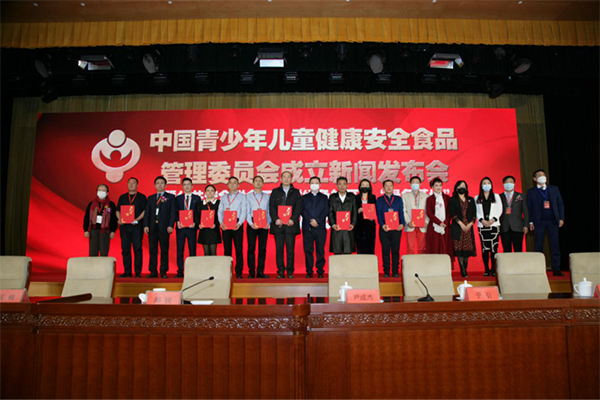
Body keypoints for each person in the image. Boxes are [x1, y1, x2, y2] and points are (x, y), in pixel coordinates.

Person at [526, 169, 565, 276]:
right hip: (539, 222)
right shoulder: (531, 191)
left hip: (553, 221)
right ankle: (539, 269)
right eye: (539, 175)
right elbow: (529, 208)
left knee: (555, 245)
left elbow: (560, 204)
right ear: (534, 179)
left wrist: (561, 218)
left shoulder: (554, 189)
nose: (542, 177)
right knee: (538, 245)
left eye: (543, 175)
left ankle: (556, 268)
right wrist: (530, 222)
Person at [269, 171, 303, 279]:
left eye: (289, 177)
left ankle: (290, 271)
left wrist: (293, 219)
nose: (286, 179)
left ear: (291, 179)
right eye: (284, 177)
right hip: (278, 225)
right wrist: (275, 219)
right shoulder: (275, 191)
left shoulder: (296, 192)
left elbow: (298, 207)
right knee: (279, 250)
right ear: (281, 179)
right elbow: (272, 207)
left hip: (290, 226)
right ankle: (280, 271)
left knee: (290, 250)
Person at [143, 176, 176, 278]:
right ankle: (153, 271)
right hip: (152, 227)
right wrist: (146, 225)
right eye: (158, 183)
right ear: (155, 185)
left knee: (164, 250)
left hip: (164, 227)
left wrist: (171, 225)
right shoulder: (151, 198)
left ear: (165, 185)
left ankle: (163, 271)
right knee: (152, 250)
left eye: (162, 183)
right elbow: (147, 213)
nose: (160, 185)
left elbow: (173, 212)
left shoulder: (170, 197)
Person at [116, 177, 147, 277]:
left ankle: (138, 272)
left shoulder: (142, 197)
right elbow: (118, 210)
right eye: (129, 183)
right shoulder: (122, 197)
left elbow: (145, 211)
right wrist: (120, 219)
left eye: (133, 183)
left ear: (137, 185)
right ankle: (127, 272)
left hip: (136, 227)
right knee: (125, 249)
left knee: (137, 249)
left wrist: (137, 219)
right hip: (124, 227)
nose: (131, 185)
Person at [218, 177, 247, 279]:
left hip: (237, 223)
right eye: (230, 183)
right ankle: (227, 272)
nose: (233, 184)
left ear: (238, 185)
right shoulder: (223, 197)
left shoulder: (242, 197)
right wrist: (221, 223)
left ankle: (239, 272)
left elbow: (243, 211)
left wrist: (239, 223)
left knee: (239, 249)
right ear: (228, 185)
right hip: (226, 224)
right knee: (227, 250)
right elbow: (220, 211)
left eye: (235, 183)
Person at [375, 180, 405, 278]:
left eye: (390, 186)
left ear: (393, 187)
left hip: (396, 228)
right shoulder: (379, 200)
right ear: (383, 188)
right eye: (386, 186)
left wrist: (402, 224)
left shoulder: (398, 199)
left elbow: (401, 212)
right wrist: (382, 224)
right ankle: (386, 272)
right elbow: (379, 214)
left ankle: (395, 271)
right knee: (385, 251)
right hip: (384, 229)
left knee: (395, 251)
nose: (388, 188)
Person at [301, 176, 329, 278]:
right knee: (308, 250)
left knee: (320, 250)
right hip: (307, 227)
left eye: (316, 183)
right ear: (309, 184)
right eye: (312, 183)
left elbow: (326, 210)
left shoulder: (324, 197)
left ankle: (320, 271)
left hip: (320, 227)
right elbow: (302, 210)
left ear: (320, 184)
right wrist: (310, 220)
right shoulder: (304, 198)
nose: (314, 185)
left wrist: (317, 220)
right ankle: (309, 271)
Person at [475, 177, 503, 277]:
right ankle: (486, 269)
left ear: (491, 185)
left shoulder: (496, 196)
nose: (486, 185)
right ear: (481, 186)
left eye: (488, 183)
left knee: (494, 248)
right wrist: (482, 220)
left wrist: (493, 220)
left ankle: (494, 269)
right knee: (485, 249)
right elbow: (475, 211)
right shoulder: (477, 198)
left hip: (494, 225)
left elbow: (500, 209)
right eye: (484, 183)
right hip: (482, 226)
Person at [448, 180, 476, 277]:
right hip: (458, 227)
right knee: (459, 249)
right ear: (456, 188)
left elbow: (474, 213)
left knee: (467, 249)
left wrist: (470, 224)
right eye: (460, 186)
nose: (462, 188)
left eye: (464, 186)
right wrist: (461, 224)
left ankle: (465, 267)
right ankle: (462, 269)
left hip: (468, 228)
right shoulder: (453, 200)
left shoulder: (471, 199)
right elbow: (452, 213)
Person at [175, 178, 201, 278]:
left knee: (192, 250)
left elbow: (198, 213)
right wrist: (177, 221)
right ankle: (180, 271)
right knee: (180, 250)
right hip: (181, 228)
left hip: (191, 228)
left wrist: (195, 223)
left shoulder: (197, 198)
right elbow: (175, 211)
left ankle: (192, 271)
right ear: (182, 186)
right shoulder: (178, 198)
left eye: (188, 184)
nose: (187, 186)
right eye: (185, 184)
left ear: (192, 186)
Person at [245, 176, 271, 279]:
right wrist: (251, 223)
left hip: (264, 222)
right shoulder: (248, 196)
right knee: (251, 248)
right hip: (252, 222)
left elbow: (269, 211)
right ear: (253, 183)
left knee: (262, 249)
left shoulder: (267, 196)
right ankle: (251, 272)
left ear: (263, 183)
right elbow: (246, 210)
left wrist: (268, 222)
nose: (258, 183)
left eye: (260, 181)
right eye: (256, 181)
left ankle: (260, 272)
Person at [83, 184, 118, 257]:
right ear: (97, 192)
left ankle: (103, 265)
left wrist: (113, 231)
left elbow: (114, 219)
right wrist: (85, 230)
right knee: (93, 253)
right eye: (99, 190)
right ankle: (93, 265)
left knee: (104, 253)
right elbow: (86, 217)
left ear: (107, 193)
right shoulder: (91, 204)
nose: (101, 192)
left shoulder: (111, 204)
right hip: (93, 230)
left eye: (103, 191)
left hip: (105, 231)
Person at [425, 178, 454, 260]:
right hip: (434, 227)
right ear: (432, 187)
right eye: (436, 185)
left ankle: (445, 265)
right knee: (434, 246)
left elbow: (449, 212)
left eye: (440, 185)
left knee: (446, 246)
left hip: (445, 226)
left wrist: (446, 222)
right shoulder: (429, 199)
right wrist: (439, 222)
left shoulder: (447, 198)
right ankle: (434, 265)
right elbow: (429, 213)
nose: (438, 187)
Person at [499, 175, 529, 252]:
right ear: (503, 184)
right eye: (507, 182)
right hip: (504, 227)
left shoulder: (520, 196)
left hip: (518, 227)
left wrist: (526, 225)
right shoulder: (499, 197)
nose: (509, 184)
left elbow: (525, 211)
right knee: (506, 250)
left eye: (511, 182)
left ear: (514, 184)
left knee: (518, 250)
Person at [329, 177, 357, 255]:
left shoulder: (352, 197)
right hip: (337, 229)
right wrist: (333, 224)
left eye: (344, 184)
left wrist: (353, 224)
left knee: (348, 254)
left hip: (348, 229)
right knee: (337, 254)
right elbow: (330, 212)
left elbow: (355, 212)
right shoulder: (333, 197)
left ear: (347, 185)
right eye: (340, 184)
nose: (342, 186)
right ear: (337, 186)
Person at [402, 176, 429, 254]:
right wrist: (408, 221)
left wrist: (426, 221)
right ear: (410, 184)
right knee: (410, 249)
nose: (415, 184)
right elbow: (404, 210)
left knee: (422, 248)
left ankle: (421, 262)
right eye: (413, 182)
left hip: (422, 225)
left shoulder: (426, 196)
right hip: (410, 225)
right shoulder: (405, 196)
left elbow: (429, 211)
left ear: (420, 184)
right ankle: (410, 262)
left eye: (417, 182)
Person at [197, 184, 221, 256]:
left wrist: (216, 224)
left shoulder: (219, 203)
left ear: (215, 192)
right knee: (206, 253)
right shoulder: (200, 203)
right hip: (204, 231)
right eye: (208, 191)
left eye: (212, 191)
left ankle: (214, 264)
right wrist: (199, 224)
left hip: (214, 230)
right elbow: (197, 216)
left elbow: (221, 216)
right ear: (205, 192)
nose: (210, 192)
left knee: (213, 253)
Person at [354, 179, 377, 254]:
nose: (365, 187)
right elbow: (353, 211)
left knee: (370, 248)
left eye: (367, 185)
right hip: (359, 226)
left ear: (370, 187)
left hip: (370, 226)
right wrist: (358, 211)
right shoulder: (356, 198)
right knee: (360, 248)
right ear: (360, 187)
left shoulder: (373, 197)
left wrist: (366, 211)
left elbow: (375, 210)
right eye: (363, 185)